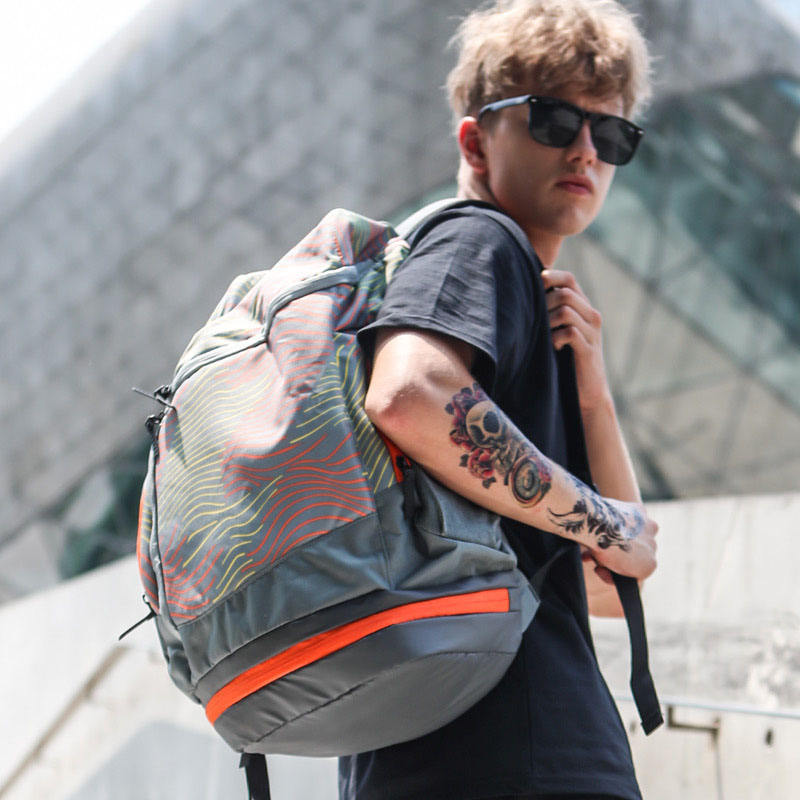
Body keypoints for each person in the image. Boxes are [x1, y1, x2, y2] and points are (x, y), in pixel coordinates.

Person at [339, 1, 658, 798]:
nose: (586, 150)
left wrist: (591, 395)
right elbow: (410, 391)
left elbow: (614, 585)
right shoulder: (480, 240)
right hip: (514, 753)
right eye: (554, 120)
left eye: (611, 134)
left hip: (438, 753)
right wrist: (601, 517)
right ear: (475, 142)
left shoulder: (513, 302)